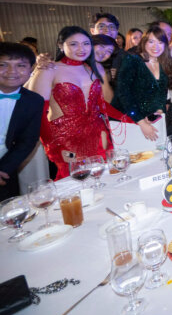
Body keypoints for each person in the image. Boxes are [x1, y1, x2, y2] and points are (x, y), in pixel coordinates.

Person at [30, 27, 115, 179]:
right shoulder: (49, 69)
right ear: (60, 45)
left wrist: (102, 74)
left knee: (103, 180)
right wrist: (53, 147)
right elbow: (37, 113)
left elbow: (106, 103)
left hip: (98, 134)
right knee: (73, 183)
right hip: (66, 140)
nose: (81, 49)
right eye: (74, 44)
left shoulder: (94, 68)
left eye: (86, 44)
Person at [115, 27, 172, 141]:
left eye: (160, 42)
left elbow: (161, 94)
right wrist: (141, 122)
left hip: (152, 119)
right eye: (151, 41)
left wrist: (158, 111)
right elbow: (123, 93)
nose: (156, 46)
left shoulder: (165, 63)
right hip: (129, 120)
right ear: (144, 42)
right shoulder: (132, 60)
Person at [0, 43, 44, 199]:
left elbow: (27, 141)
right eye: (3, 65)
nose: (12, 72)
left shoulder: (33, 101)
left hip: (5, 171)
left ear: (31, 68)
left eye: (20, 65)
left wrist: (4, 169)